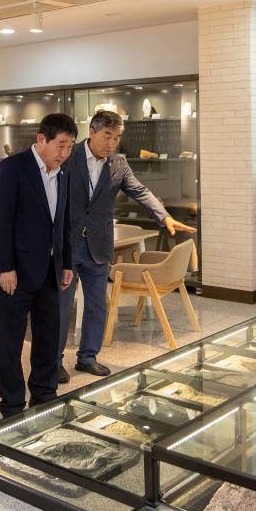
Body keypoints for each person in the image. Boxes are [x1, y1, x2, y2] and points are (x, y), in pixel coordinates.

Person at [57, 110, 196, 381]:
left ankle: (87, 358)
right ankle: (54, 361)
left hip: (98, 245)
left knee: (97, 306)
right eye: (107, 136)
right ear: (92, 132)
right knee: (61, 307)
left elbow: (140, 190)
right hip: (67, 245)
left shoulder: (118, 163)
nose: (112, 143)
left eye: (117, 138)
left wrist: (164, 217)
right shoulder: (68, 156)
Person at [0, 113, 76, 417]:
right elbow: (1, 220)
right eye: (60, 145)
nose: (64, 153)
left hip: (51, 270)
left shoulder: (63, 173)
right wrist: (6, 267)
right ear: (41, 139)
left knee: (48, 337)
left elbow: (64, 221)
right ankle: (11, 404)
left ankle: (44, 394)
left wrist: (66, 262)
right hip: (15, 272)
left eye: (70, 147)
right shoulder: (13, 168)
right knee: (10, 342)